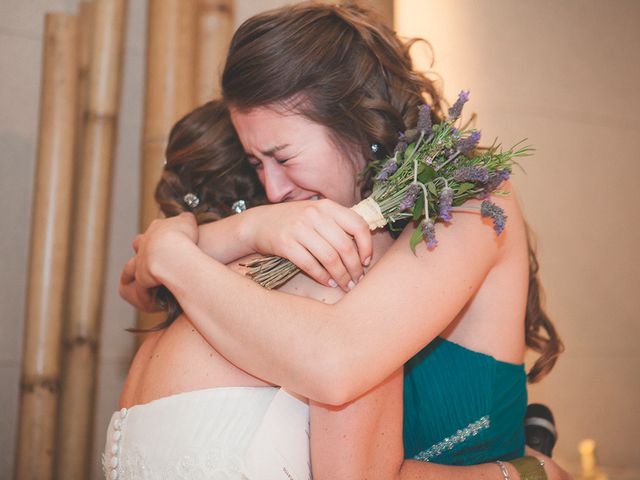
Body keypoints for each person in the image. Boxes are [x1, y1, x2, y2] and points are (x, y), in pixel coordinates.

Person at [122, 2, 567, 477]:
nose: (273, 189)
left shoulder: (467, 194)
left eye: (283, 156)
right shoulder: (323, 234)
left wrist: (173, 255)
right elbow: (138, 283)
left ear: (353, 122)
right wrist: (247, 227)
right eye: (256, 164)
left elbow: (336, 361)